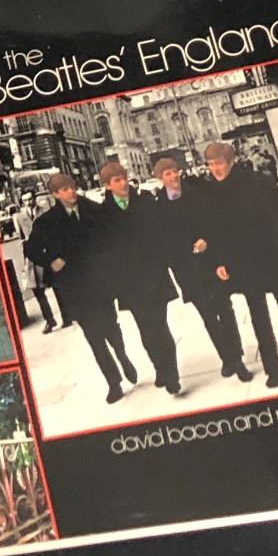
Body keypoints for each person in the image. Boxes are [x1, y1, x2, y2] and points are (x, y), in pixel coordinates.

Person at [200, 140, 278, 388]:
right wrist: (219, 261)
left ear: (231, 162)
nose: (215, 169)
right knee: (258, 314)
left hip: (271, 254)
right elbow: (214, 231)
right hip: (243, 262)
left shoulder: (258, 182)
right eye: (211, 164)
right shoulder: (212, 194)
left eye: (219, 163)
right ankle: (274, 369)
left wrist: (271, 231)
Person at [25, 171, 131, 403]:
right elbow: (30, 249)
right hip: (74, 287)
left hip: (99, 281)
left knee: (111, 328)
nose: (71, 191)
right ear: (55, 194)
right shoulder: (47, 221)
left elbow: (111, 231)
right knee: (93, 336)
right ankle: (113, 383)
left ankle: (122, 356)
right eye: (65, 189)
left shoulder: (92, 209)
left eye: (72, 187)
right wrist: (51, 261)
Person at [152, 154, 251, 381]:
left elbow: (214, 224)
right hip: (187, 272)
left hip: (211, 264)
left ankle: (237, 360)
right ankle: (226, 358)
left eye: (174, 171)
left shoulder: (196, 194)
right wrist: (183, 252)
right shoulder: (159, 207)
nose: (173, 176)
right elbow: (163, 243)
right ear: (160, 178)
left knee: (225, 311)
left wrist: (207, 240)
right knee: (209, 317)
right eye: (167, 174)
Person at [96, 159, 183, 396]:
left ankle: (172, 375)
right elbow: (105, 249)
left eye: (124, 178)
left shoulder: (145, 201)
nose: (123, 183)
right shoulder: (103, 214)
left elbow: (160, 232)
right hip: (129, 283)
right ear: (107, 185)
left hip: (154, 275)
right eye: (117, 180)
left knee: (160, 326)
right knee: (146, 329)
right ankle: (160, 368)